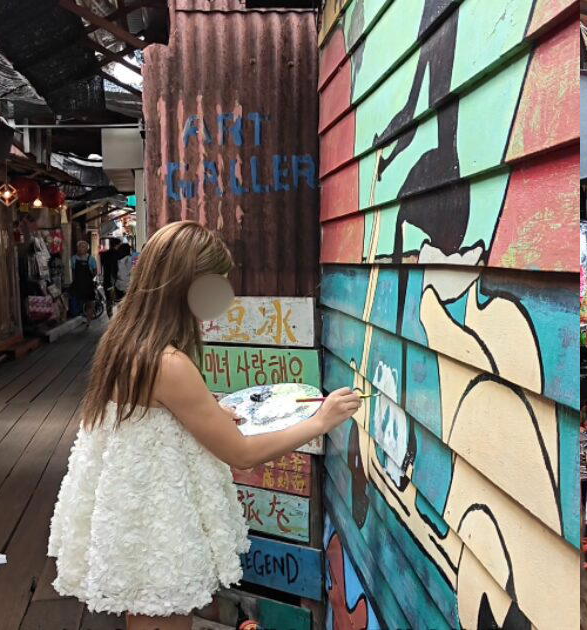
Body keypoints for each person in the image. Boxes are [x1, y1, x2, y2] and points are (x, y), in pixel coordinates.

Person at [47, 221, 362, 630]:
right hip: (160, 522)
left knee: (145, 615)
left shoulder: (124, 342)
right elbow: (240, 452)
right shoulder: (168, 362)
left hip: (138, 515)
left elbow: (155, 410)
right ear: (186, 286)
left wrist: (207, 409)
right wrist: (321, 420)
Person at [69, 240, 98, 318]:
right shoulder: (73, 258)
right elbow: (73, 271)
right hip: (77, 283)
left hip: (88, 284)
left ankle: (88, 319)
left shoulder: (91, 259)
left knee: (90, 302)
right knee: (76, 301)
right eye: (80, 247)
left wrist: (89, 278)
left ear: (87, 249)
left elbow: (95, 271)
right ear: (77, 248)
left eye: (84, 247)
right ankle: (78, 314)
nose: (81, 248)